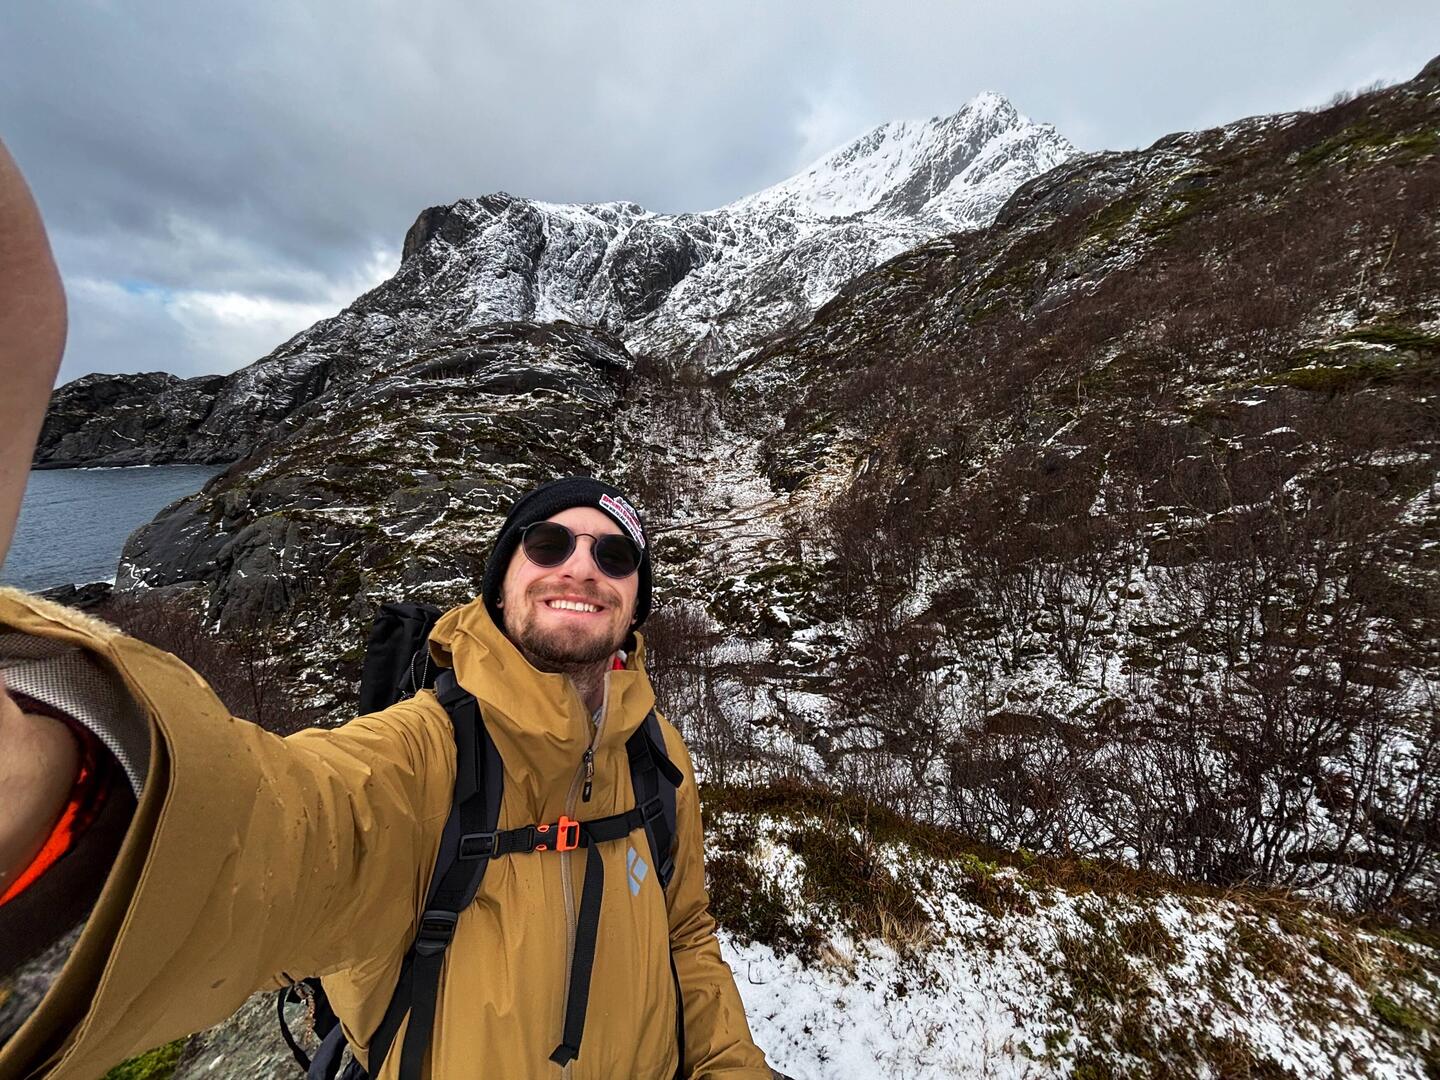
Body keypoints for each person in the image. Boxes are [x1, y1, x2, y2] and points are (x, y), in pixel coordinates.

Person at [0, 138, 777, 1079]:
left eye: (615, 556)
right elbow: (261, 837)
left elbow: (687, 937)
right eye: (547, 543)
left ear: (636, 601)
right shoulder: (422, 759)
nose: (582, 566)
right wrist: (63, 775)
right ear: (499, 581)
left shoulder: (658, 756)